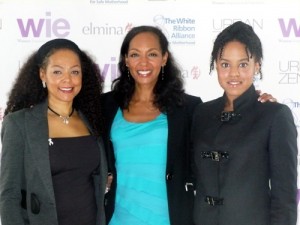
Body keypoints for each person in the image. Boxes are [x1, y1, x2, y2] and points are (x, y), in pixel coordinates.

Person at [101, 25, 276, 225]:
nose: (143, 62)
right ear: (125, 59)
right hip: (118, 219)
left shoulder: (189, 108)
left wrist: (258, 105)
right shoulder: (105, 106)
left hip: (172, 218)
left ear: (164, 58)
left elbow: (224, 135)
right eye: (134, 54)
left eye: (152, 54)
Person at [191, 21, 298, 225]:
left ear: (256, 65)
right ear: (215, 64)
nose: (233, 73)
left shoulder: (275, 116)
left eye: (243, 64)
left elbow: (284, 197)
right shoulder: (202, 113)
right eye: (225, 64)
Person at [0, 38, 107, 225]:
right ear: (42, 74)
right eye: (57, 71)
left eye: (75, 72)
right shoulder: (19, 124)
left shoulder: (92, 120)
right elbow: (9, 194)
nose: (67, 79)